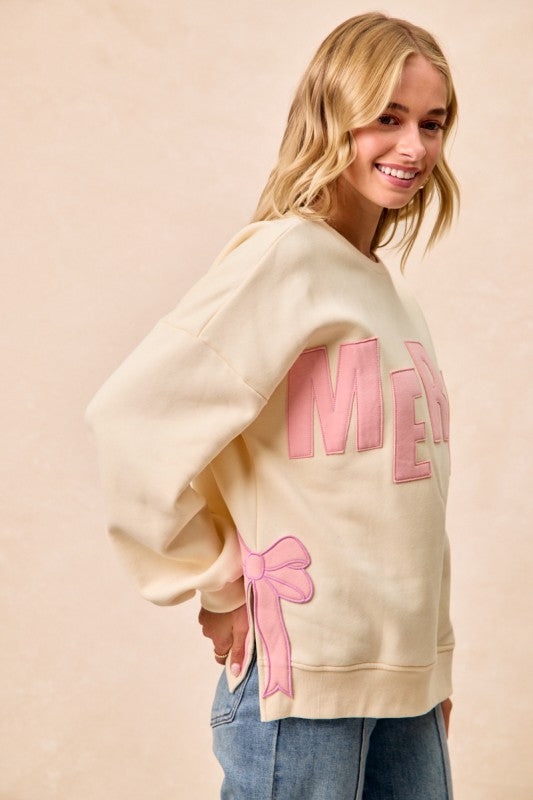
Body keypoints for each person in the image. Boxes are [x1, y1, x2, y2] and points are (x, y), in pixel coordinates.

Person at [85, 11, 459, 799]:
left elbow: (407, 503)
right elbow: (133, 419)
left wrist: (428, 666)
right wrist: (218, 582)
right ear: (331, 115)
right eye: (386, 118)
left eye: (430, 124)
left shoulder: (389, 294)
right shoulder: (283, 258)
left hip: (401, 692)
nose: (413, 147)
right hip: (303, 685)